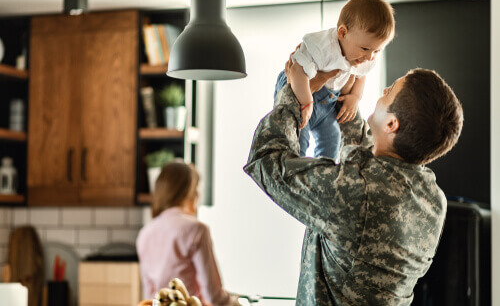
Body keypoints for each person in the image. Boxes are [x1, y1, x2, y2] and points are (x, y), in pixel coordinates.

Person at [244, 61, 463, 304]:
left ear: (391, 124)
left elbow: (266, 160)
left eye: (389, 91)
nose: (382, 92)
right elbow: (366, 158)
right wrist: (340, 95)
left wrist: (294, 96)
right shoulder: (432, 199)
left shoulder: (358, 193)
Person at [274, 0, 395, 160]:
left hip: (328, 104)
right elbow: (295, 71)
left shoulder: (363, 56)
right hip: (301, 90)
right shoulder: (321, 46)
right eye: (365, 48)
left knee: (332, 141)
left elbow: (361, 75)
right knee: (298, 140)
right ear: (343, 33)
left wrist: (355, 96)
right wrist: (306, 102)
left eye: (376, 51)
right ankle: (296, 170)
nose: (370, 57)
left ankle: (323, 173)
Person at [136, 160, 240, 306]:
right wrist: (236, 302)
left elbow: (150, 295)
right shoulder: (196, 229)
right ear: (191, 192)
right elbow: (214, 296)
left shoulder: (144, 234)